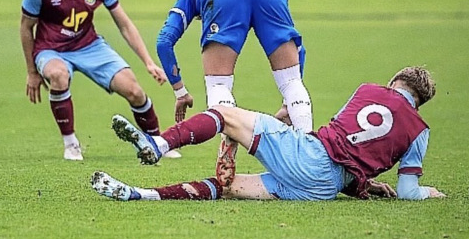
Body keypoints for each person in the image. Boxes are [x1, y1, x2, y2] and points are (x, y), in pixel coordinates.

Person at [92, 66, 447, 202]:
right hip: (325, 189)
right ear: (421, 101)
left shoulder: (368, 89)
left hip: (309, 156)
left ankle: (157, 143)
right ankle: (139, 194)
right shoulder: (419, 130)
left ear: (393, 83)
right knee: (228, 188)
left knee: (225, 114)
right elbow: (406, 191)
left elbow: (338, 141)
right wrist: (428, 192)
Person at [20, 0, 181, 161]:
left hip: (89, 45)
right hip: (51, 49)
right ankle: (71, 143)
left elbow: (124, 24)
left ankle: (157, 142)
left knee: (135, 91)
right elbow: (26, 27)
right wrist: (32, 71)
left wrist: (148, 62)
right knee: (58, 75)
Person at [155, 0, 313, 164]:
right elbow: (298, 49)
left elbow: (164, 41)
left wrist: (180, 91)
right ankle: (310, 157)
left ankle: (227, 155)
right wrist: (288, 103)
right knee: (291, 81)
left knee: (218, 84)